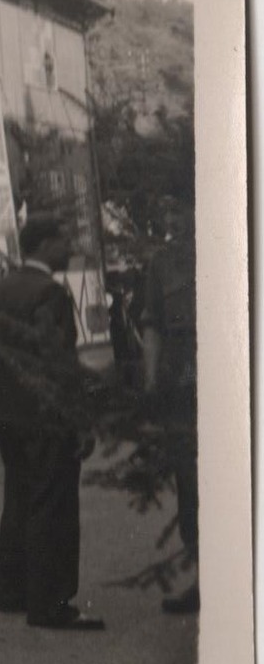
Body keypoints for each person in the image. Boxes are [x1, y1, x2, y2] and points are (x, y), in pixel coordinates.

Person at [0, 215, 103, 630]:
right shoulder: (50, 293)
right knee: (52, 503)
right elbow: (60, 363)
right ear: (44, 245)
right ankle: (49, 604)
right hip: (45, 416)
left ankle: (11, 592)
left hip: (6, 413)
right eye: (63, 240)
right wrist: (81, 420)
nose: (68, 248)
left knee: (18, 496)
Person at [138, 214, 198, 615]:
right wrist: (150, 385)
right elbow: (153, 327)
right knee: (191, 487)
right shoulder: (163, 263)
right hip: (184, 390)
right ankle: (205, 579)